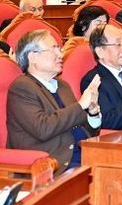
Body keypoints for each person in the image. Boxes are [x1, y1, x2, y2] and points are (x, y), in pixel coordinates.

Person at [7, 29, 101, 172]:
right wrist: (81, 105)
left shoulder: (62, 85)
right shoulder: (22, 87)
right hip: (54, 164)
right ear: (33, 57)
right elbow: (43, 128)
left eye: (59, 49)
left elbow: (84, 129)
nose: (60, 54)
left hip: (86, 156)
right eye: (54, 49)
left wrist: (93, 114)